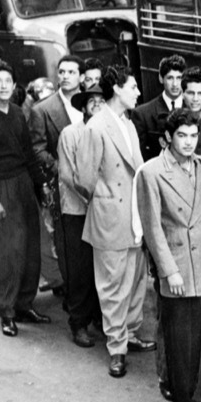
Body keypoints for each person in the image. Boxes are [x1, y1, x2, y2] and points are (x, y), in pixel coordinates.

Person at [136, 109, 201, 402]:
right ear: (168, 138)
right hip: (178, 265)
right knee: (182, 342)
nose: (189, 142)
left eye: (194, 136)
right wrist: (169, 271)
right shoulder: (151, 173)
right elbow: (152, 228)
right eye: (182, 136)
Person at [78, 64, 155, 378]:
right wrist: (108, 202)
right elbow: (84, 179)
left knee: (136, 282)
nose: (138, 92)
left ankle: (131, 333)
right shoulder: (96, 127)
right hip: (111, 219)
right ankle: (116, 348)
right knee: (113, 287)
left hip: (135, 217)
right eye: (133, 86)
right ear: (118, 89)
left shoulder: (128, 124)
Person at [0, 61, 51, 336]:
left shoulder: (17, 113)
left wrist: (42, 186)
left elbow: (28, 154)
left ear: (15, 84)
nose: (4, 86)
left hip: (24, 186)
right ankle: (6, 311)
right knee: (6, 253)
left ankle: (25, 304)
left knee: (30, 248)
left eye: (8, 81)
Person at [55, 83, 106, 348]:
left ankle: (102, 319)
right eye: (92, 101)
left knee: (104, 267)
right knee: (80, 269)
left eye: (101, 100)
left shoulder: (110, 130)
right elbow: (67, 174)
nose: (97, 104)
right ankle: (78, 323)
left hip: (106, 212)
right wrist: (92, 197)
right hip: (78, 210)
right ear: (83, 106)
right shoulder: (71, 133)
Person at [28, 55, 83, 292]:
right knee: (67, 237)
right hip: (62, 182)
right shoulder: (42, 109)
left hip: (93, 183)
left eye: (71, 72)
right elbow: (37, 147)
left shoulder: (92, 104)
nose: (65, 77)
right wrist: (60, 169)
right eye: (61, 72)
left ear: (81, 76)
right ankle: (69, 285)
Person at [132, 53, 185, 161]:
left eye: (179, 78)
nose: (175, 84)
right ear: (161, 78)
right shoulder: (143, 114)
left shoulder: (192, 109)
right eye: (170, 78)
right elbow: (140, 156)